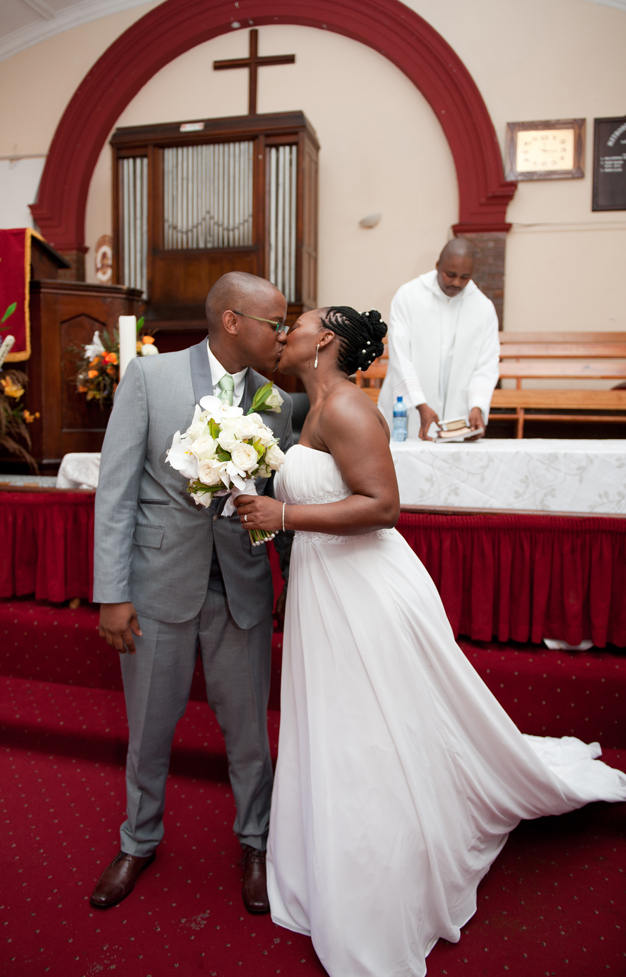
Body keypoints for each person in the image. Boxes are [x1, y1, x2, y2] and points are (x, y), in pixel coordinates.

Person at [235, 306, 626, 977]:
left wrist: (284, 513)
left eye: (294, 323)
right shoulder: (311, 404)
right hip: (328, 588)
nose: (283, 334)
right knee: (345, 727)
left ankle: (382, 881)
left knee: (371, 731)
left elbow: (383, 505)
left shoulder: (349, 411)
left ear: (324, 338)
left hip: (369, 591)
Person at [90, 271, 294, 913]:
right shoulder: (151, 378)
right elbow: (116, 490)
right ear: (232, 320)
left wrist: (291, 582)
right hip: (157, 585)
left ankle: (256, 842)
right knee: (149, 728)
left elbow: (279, 503)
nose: (283, 335)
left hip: (241, 589)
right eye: (275, 323)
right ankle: (137, 840)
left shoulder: (277, 402)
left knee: (249, 736)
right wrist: (111, 593)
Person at [378, 238, 499, 440]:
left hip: (456, 418)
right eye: (450, 274)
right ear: (437, 266)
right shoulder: (408, 296)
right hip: (408, 412)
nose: (456, 282)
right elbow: (400, 358)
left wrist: (477, 405)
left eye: (464, 277)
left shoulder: (483, 308)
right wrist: (420, 404)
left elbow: (486, 364)